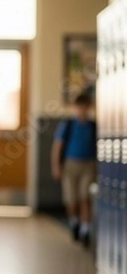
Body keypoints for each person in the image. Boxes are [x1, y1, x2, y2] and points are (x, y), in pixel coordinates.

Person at [51, 93, 97, 247]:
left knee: (85, 198)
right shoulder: (68, 124)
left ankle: (85, 231)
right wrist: (56, 166)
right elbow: (57, 147)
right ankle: (75, 223)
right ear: (76, 108)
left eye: (85, 107)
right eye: (79, 107)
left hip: (88, 165)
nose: (82, 110)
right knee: (71, 201)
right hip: (70, 165)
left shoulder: (93, 126)